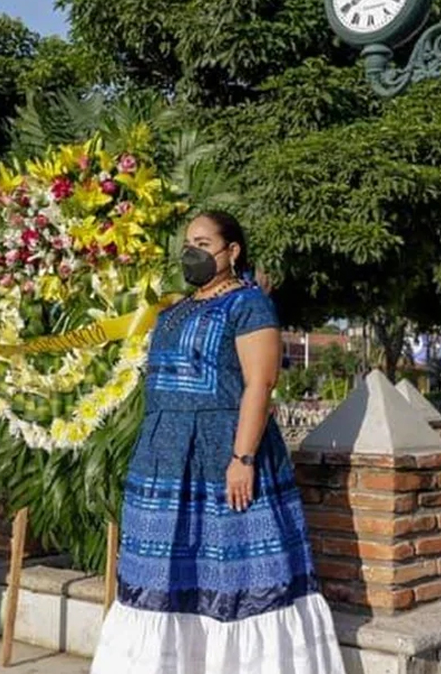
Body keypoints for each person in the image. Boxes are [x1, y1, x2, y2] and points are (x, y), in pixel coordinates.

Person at [90, 211, 345, 673]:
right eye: (189, 242)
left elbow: (259, 384)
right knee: (161, 572)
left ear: (233, 251)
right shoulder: (175, 308)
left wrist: (242, 457)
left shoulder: (249, 304)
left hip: (223, 454)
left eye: (204, 243)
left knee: (235, 575)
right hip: (165, 459)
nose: (193, 252)